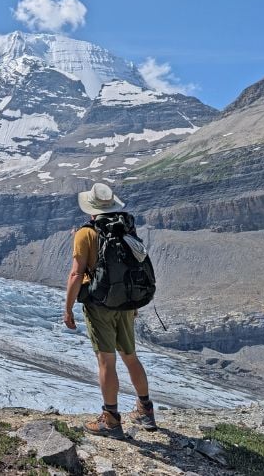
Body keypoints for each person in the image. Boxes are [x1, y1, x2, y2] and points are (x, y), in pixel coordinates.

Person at [62, 183, 157, 438]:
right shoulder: (125, 227)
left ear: (91, 208)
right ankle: (145, 411)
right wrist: (132, 303)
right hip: (126, 304)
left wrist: (68, 308)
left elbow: (76, 274)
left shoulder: (85, 233)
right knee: (130, 356)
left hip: (99, 304)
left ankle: (111, 419)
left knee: (106, 361)